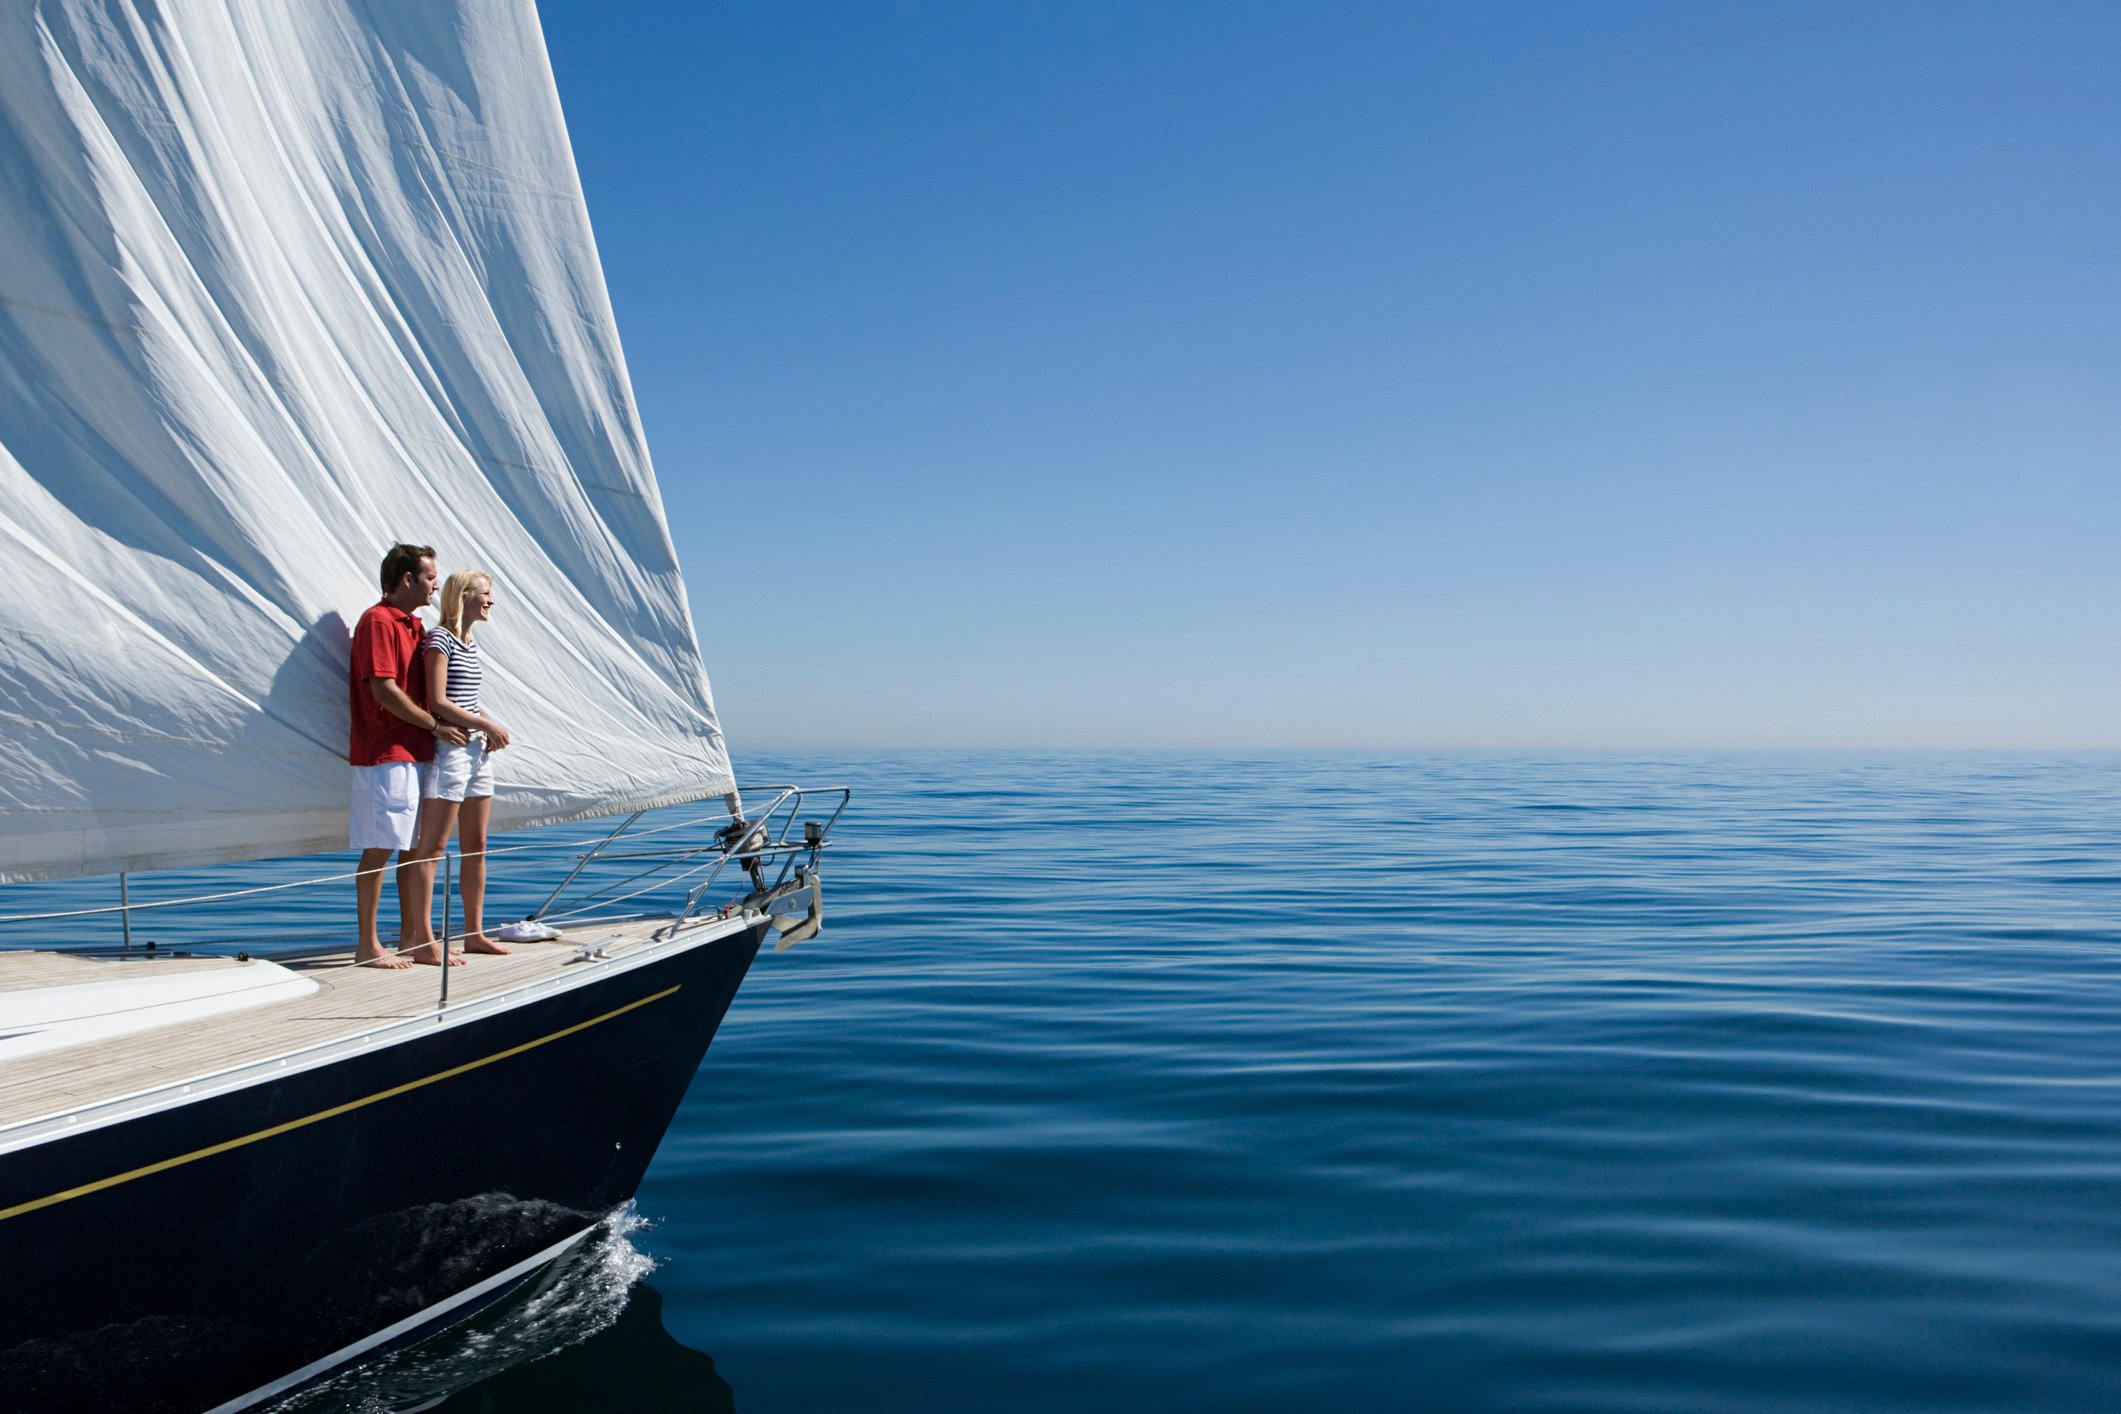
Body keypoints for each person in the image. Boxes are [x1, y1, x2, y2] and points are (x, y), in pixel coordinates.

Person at [349, 542, 467, 968]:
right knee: (380, 846)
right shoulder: (378, 621)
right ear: (407, 579)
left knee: (411, 847)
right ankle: (368, 945)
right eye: (431, 577)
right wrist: (435, 726)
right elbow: (383, 689)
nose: (436, 584)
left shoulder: (416, 627)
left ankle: (412, 939)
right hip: (386, 753)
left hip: (413, 752)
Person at [404, 569, 514, 956]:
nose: (491, 600)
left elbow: (464, 699)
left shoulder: (470, 644)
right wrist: (486, 723)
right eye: (485, 593)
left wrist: (487, 727)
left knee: (476, 845)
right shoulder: (441, 640)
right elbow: (437, 701)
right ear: (463, 595)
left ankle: (474, 933)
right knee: (431, 847)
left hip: (475, 752)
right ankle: (424, 940)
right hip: (450, 755)